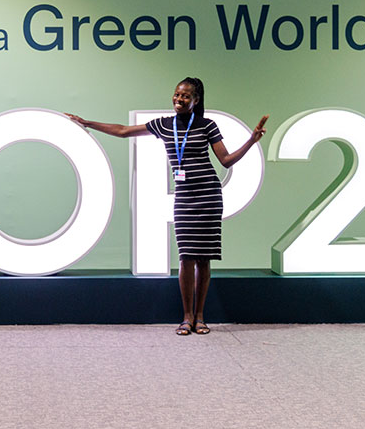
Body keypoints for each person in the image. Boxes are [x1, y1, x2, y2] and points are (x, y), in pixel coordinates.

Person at [67, 77, 267, 335]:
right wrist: (88, 123)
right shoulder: (163, 125)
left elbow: (226, 161)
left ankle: (200, 316)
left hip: (208, 195)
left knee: (203, 259)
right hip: (184, 196)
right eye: (176, 94)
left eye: (185, 96)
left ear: (196, 100)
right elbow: (123, 131)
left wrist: (252, 140)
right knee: (186, 257)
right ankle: (185, 317)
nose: (179, 99)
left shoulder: (207, 125)